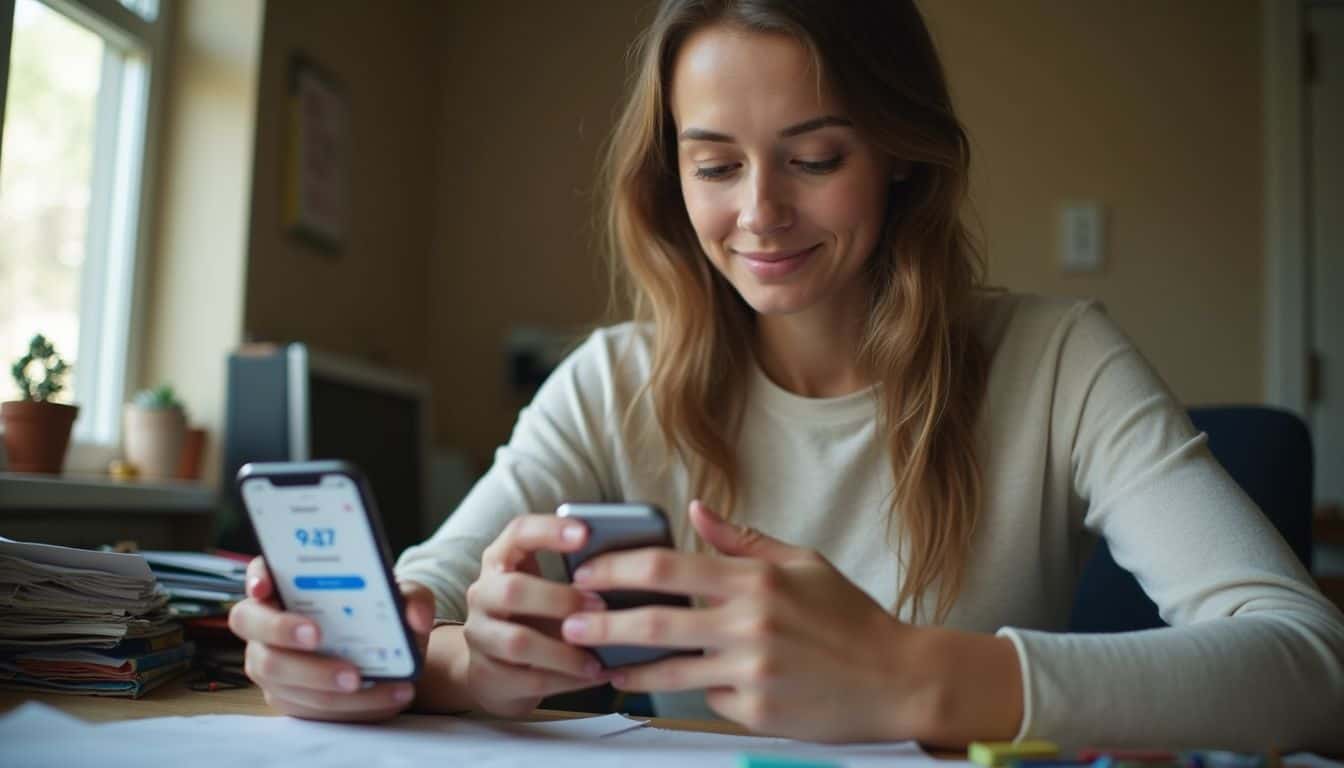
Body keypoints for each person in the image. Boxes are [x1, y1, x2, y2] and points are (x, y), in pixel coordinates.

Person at [227, 0, 1344, 749]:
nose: (759, 213)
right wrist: (405, 661)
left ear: (902, 154)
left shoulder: (1059, 362)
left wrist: (913, 675)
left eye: (815, 158)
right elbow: (425, 603)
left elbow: (1305, 662)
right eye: (715, 164)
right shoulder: (612, 382)